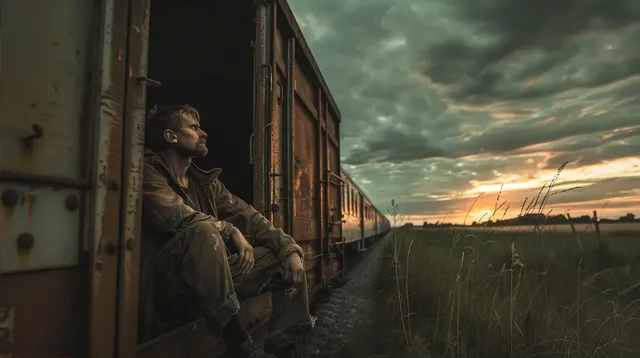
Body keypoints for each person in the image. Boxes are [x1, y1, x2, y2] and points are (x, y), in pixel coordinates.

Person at [138, 104, 314, 358]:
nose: (204, 133)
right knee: (202, 231)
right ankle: (240, 345)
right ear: (170, 136)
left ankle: (287, 347)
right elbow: (177, 216)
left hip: (209, 281)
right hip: (169, 288)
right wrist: (228, 229)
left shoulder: (206, 184)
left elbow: (250, 217)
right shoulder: (145, 171)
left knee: (282, 259)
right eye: (195, 127)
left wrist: (289, 248)